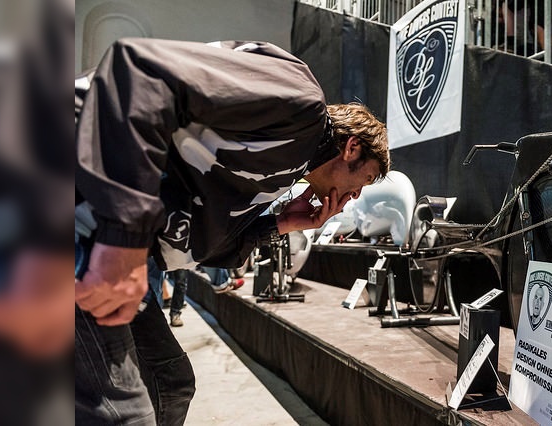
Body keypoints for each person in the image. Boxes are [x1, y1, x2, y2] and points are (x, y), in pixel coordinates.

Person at [74, 38, 390, 425]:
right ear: (352, 148)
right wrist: (122, 237)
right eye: (365, 180)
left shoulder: (287, 170)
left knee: (168, 383)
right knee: (124, 414)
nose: (355, 197)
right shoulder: (301, 103)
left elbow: (204, 249)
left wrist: (283, 222)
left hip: (99, 226)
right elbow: (140, 70)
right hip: (75, 193)